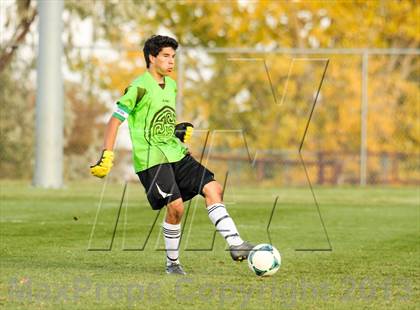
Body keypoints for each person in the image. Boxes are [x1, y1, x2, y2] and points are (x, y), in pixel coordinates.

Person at [90, 35, 253, 275]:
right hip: (151, 160)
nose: (171, 61)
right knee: (175, 208)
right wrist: (107, 155)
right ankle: (173, 264)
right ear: (151, 57)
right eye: (166, 56)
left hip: (175, 153)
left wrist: (175, 130)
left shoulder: (172, 85)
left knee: (213, 188)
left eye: (173, 56)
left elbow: (159, 121)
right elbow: (114, 121)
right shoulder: (138, 87)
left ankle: (236, 244)